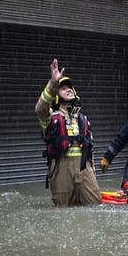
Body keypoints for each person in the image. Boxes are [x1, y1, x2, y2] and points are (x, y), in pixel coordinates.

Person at [34, 59, 101, 206]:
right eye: (63, 88)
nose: (69, 89)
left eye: (70, 88)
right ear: (56, 95)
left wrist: (93, 171)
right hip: (61, 169)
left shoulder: (83, 118)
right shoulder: (50, 117)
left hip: (85, 169)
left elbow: (91, 149)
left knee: (95, 206)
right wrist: (52, 84)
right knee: (63, 212)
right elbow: (40, 109)